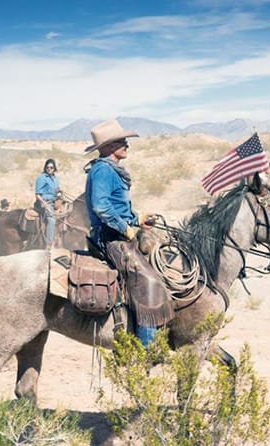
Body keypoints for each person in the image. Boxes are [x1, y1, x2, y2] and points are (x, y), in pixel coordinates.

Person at [84, 119, 174, 347]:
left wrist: (138, 219)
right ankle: (145, 349)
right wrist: (127, 229)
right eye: (121, 141)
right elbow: (101, 207)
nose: (126, 144)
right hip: (110, 238)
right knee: (148, 282)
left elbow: (117, 206)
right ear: (107, 147)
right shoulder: (103, 170)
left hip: (116, 233)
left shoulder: (111, 169)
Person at [34, 159, 60, 249]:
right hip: (44, 202)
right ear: (45, 168)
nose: (49, 169)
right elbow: (37, 194)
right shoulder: (41, 178)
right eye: (47, 167)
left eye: (51, 167)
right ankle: (49, 243)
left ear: (54, 168)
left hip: (54, 201)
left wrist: (59, 192)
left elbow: (56, 190)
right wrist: (43, 202)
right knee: (51, 219)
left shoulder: (55, 178)